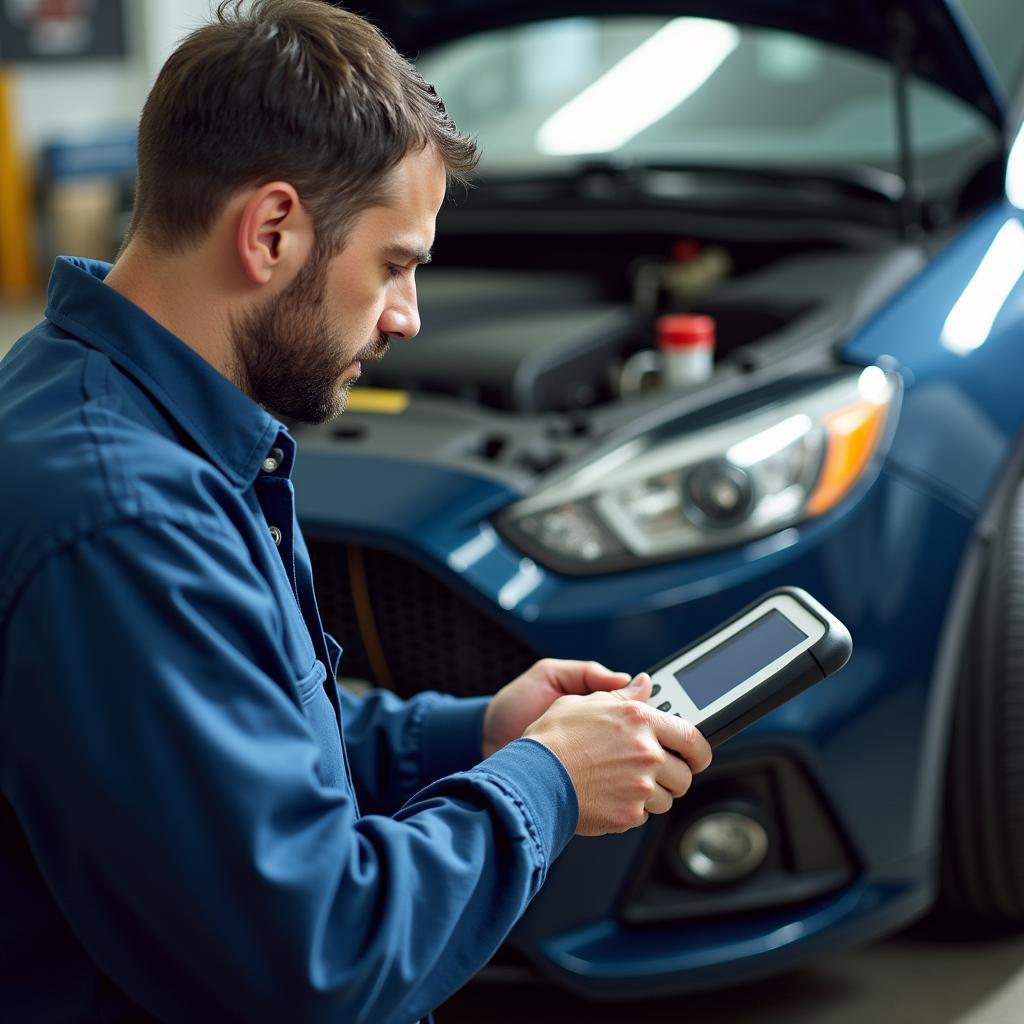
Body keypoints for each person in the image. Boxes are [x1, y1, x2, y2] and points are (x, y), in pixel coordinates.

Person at [0, 1, 712, 1020]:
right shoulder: (126, 519)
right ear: (274, 230)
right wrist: (544, 784)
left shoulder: (115, 404)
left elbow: (250, 738)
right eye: (394, 264)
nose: (407, 316)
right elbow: (320, 960)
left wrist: (475, 734)